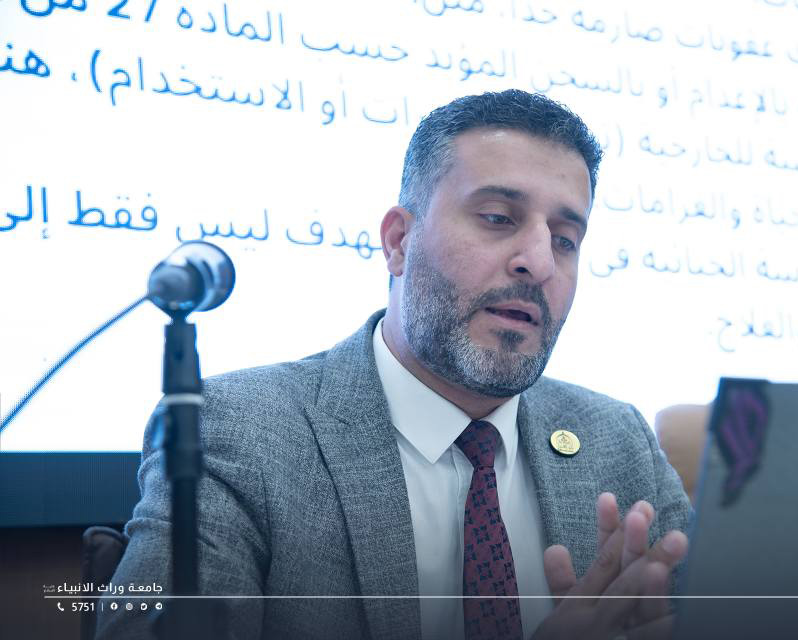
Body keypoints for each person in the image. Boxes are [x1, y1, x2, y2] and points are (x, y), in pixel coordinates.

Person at [97, 89, 692, 640]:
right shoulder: (238, 431)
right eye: (498, 218)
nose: (538, 262)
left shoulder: (617, 439)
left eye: (565, 239)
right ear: (399, 242)